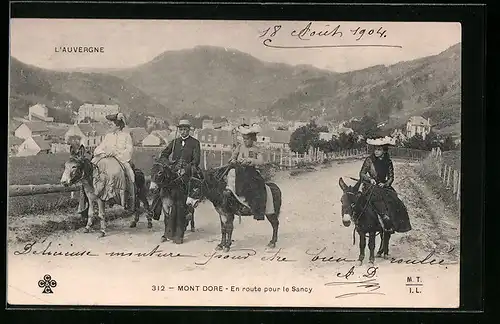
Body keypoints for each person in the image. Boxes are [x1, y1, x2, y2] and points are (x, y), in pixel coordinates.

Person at [77, 113, 136, 215]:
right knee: (88, 172)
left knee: (130, 174)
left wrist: (116, 153)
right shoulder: (108, 136)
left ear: (118, 125)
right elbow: (99, 148)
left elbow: (129, 151)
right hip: (105, 159)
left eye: (111, 124)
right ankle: (84, 203)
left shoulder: (126, 136)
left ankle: (129, 199)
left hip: (120, 159)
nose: (109, 126)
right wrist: (103, 153)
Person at [358, 136, 411, 233]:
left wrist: (386, 184)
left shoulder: (388, 161)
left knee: (396, 201)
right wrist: (370, 179)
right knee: (368, 200)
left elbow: (391, 177)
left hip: (383, 186)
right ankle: (377, 219)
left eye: (379, 150)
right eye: (375, 150)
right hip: (371, 186)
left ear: (384, 151)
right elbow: (362, 173)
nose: (376, 152)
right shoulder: (369, 160)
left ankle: (395, 224)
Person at [151, 119, 201, 221]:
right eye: (181, 129)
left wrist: (186, 168)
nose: (183, 132)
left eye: (185, 129)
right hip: (174, 168)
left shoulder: (195, 143)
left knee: (191, 185)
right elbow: (164, 154)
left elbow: (196, 160)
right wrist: (168, 163)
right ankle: (154, 211)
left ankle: (188, 209)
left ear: (189, 130)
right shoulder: (174, 142)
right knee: (160, 183)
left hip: (188, 169)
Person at [224, 123, 267, 220]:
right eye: (244, 139)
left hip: (250, 171)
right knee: (229, 176)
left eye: (247, 139)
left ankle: (256, 209)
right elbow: (232, 157)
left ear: (252, 139)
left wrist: (250, 161)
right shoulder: (240, 147)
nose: (245, 141)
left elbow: (261, 161)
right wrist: (233, 160)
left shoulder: (256, 149)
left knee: (257, 185)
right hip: (239, 170)